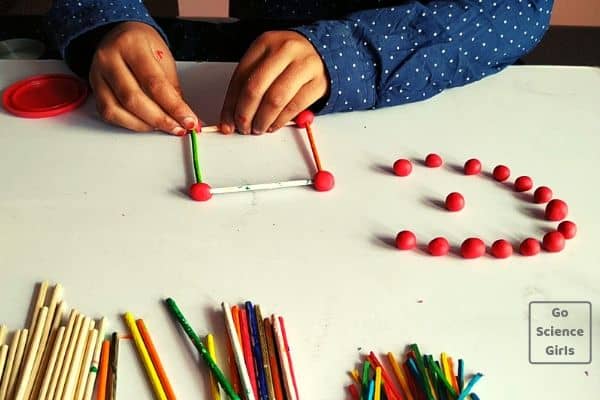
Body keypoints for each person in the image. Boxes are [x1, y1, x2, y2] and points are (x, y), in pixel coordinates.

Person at [48, 0, 553, 136]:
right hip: (224, 54)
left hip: (424, 58)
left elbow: (518, 9)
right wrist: (107, 18)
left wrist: (350, 54)